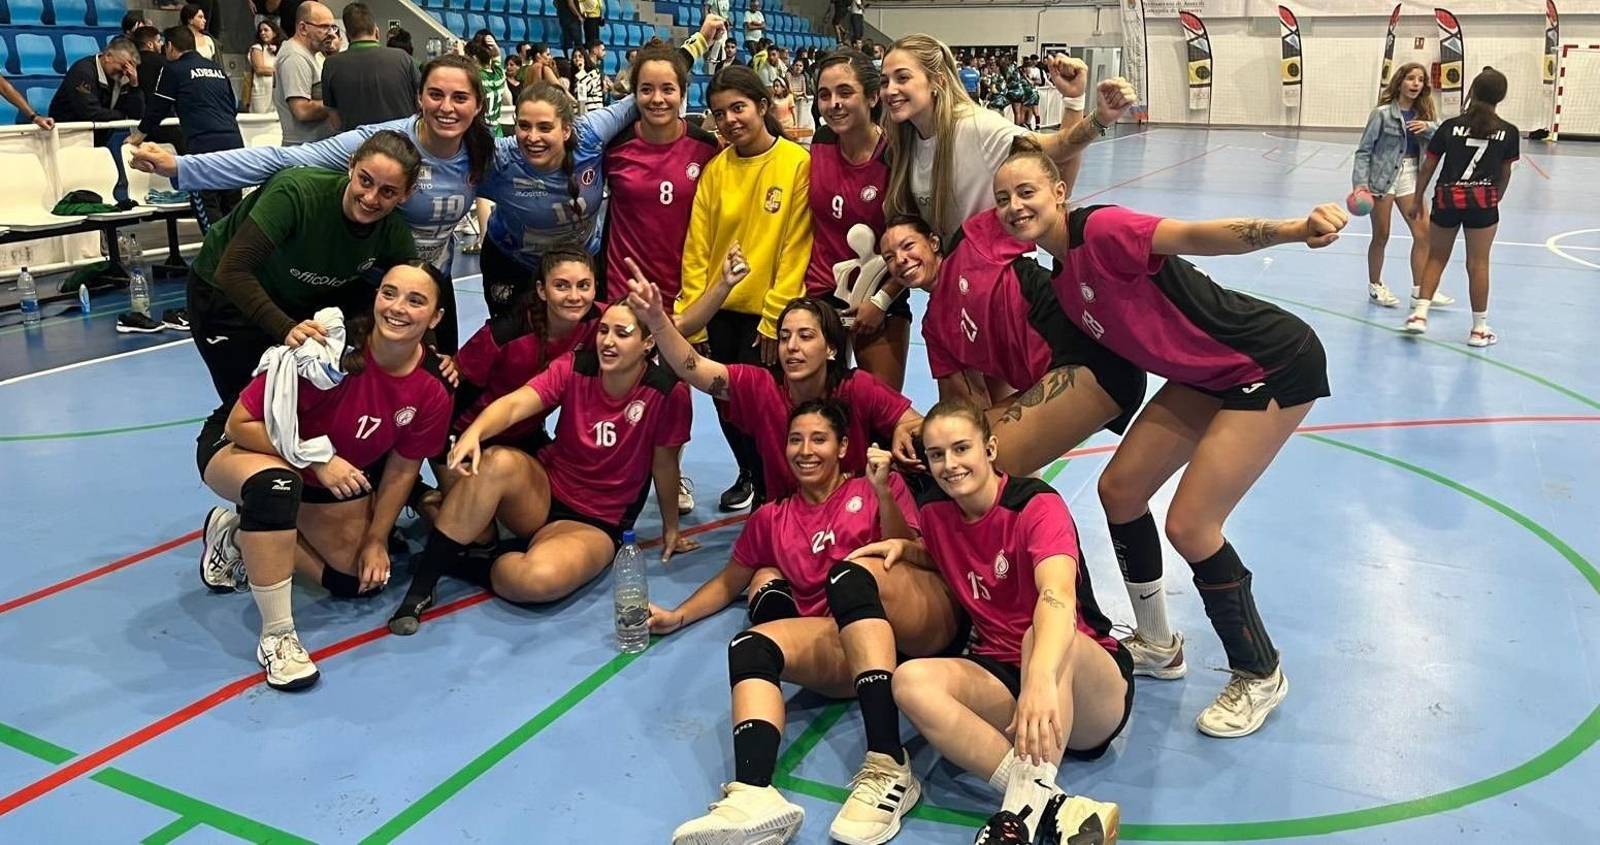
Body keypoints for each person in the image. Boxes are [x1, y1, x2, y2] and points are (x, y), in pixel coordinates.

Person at [999, 137, 1346, 737]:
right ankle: (1158, 643)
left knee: (1190, 523)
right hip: (1206, 374)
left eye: (1026, 192)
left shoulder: (1102, 231)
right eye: (1003, 199)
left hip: (1268, 361)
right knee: (1121, 489)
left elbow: (1195, 236)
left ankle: (1259, 671)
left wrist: (1295, 229)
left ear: (1059, 192)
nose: (1014, 206)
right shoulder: (1061, 284)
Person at [658, 401, 963, 845]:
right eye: (795, 440)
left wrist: (881, 494)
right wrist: (676, 615)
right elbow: (728, 583)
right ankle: (754, 795)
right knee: (750, 645)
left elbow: (910, 550)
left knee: (851, 575)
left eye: (819, 439)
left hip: (910, 623)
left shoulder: (879, 485)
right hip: (846, 645)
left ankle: (888, 760)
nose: (805, 450)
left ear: (843, 447)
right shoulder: (772, 518)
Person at [870, 399, 1127, 845]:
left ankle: (1017, 821)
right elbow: (943, 552)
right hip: (1004, 674)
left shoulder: (1036, 505)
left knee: (1039, 632)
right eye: (936, 455)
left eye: (961, 448)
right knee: (910, 681)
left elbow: (1057, 596)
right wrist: (902, 540)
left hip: (1081, 678)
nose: (949, 465)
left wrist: (1041, 681)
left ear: (989, 449)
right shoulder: (936, 514)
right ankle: (1056, 805)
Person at [196, 262, 453, 691]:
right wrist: (315, 460)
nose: (398, 308)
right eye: (389, 293)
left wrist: (375, 539)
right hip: (244, 444)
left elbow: (404, 467)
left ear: (436, 317)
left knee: (354, 582)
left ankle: (237, 534)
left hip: (323, 468)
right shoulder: (328, 351)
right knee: (275, 488)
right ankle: (278, 636)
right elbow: (240, 424)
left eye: (416, 300)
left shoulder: (432, 387)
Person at [386, 301, 694, 634]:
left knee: (535, 582)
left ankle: (467, 563)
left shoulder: (667, 393)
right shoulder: (576, 365)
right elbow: (517, 403)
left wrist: (671, 529)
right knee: (498, 460)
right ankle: (422, 585)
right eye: (603, 330)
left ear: (648, 344)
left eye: (622, 333)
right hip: (544, 492)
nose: (607, 341)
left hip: (596, 521)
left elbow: (665, 467)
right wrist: (475, 432)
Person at [134, 53, 497, 277]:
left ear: (478, 105)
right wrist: (181, 167)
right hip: (372, 283)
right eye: (436, 94)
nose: (446, 108)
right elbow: (283, 160)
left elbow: (540, 163)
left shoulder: (484, 151)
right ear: (420, 98)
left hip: (431, 281)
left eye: (460, 98)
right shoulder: (381, 144)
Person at [185, 130, 423, 463]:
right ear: (350, 166)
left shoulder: (392, 231)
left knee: (311, 402)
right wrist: (286, 328)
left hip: (298, 300)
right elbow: (233, 270)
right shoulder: (297, 193)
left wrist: (429, 353)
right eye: (365, 181)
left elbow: (417, 293)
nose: (371, 198)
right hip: (225, 296)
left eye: (387, 192)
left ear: (405, 195)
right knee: (257, 409)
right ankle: (253, 503)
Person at [878, 211, 1145, 477]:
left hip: (1095, 358)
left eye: (908, 245)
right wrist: (919, 427)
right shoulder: (934, 327)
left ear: (934, 242)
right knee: (952, 452)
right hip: (1052, 379)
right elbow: (961, 408)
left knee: (986, 470)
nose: (900, 260)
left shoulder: (973, 240)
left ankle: (1040, 518)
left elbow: (1042, 209)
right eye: (889, 258)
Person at [680, 64, 814, 513]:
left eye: (738, 108)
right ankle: (750, 474)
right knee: (726, 406)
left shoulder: (796, 163)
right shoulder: (716, 171)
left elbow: (795, 246)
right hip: (719, 311)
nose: (730, 120)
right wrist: (692, 316)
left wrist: (777, 317)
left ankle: (774, 489)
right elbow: (698, 249)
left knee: (767, 409)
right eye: (719, 114)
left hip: (766, 317)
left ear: (761, 106)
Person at [880, 35, 1132, 242]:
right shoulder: (906, 141)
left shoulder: (977, 126)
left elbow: (1058, 150)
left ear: (937, 81)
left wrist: (1097, 115)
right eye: (884, 81)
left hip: (999, 284)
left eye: (903, 78)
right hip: (953, 286)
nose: (890, 90)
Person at [806, 49, 910, 390]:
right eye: (824, 95)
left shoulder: (895, 156)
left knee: (880, 418)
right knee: (818, 415)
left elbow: (915, 243)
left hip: (879, 301)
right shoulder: (820, 143)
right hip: (821, 296)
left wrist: (882, 301)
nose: (833, 103)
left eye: (845, 92)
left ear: (872, 95)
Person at [1405, 67, 1518, 347]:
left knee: (1436, 257)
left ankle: (1419, 314)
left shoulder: (1450, 126)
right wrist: (1496, 198)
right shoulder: (1509, 132)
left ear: (1473, 92)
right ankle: (1479, 330)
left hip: (1447, 199)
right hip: (1483, 202)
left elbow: (1429, 165)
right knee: (1478, 263)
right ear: (1500, 97)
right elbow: (1505, 174)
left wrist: (1417, 198)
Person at [130, 26, 244, 235]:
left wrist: (138, 136)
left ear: (170, 46)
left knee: (207, 203)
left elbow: (158, 108)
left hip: (204, 146)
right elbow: (233, 105)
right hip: (234, 141)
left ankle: (217, 258)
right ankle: (239, 261)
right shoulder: (216, 68)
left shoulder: (173, 69)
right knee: (233, 206)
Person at [1355, 62, 1450, 310]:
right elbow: (1364, 151)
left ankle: (1420, 291)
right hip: (1382, 177)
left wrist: (1428, 126)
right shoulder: (1382, 113)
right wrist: (1360, 185)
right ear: (1399, 82)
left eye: (1420, 80)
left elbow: (1445, 134)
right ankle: (1375, 286)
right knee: (1382, 234)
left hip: (1410, 175)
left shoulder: (1424, 115)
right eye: (1410, 78)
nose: (1416, 84)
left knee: (1423, 234)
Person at [321, 2, 421, 132]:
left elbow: (336, 123)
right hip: (402, 145)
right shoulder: (403, 58)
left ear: (347, 36)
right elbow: (420, 103)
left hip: (357, 148)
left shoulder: (331, 64)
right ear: (377, 32)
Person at [48, 36, 144, 146]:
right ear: (108, 56)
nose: (125, 72)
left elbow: (137, 114)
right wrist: (124, 116)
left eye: (129, 68)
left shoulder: (122, 76)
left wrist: (134, 85)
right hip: (68, 137)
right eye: (123, 66)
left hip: (96, 138)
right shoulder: (83, 71)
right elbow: (89, 112)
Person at [274, 2, 338, 145]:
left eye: (332, 27)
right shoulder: (294, 56)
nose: (331, 34)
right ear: (303, 28)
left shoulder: (312, 55)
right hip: (305, 149)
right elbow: (302, 110)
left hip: (316, 146)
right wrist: (340, 102)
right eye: (324, 27)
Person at [244, 19, 284, 115]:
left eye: (266, 30)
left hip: (276, 91)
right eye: (260, 31)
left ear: (274, 33)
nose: (262, 33)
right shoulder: (257, 48)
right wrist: (278, 71)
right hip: (261, 91)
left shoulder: (280, 48)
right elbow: (259, 69)